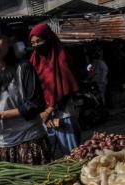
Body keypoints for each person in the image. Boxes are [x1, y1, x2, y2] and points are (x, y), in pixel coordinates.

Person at [0, 20, 50, 165]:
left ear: (9, 40)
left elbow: (36, 105)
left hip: (30, 142)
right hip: (1, 145)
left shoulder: (24, 68)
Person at [29, 23, 81, 156]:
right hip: (43, 116)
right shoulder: (34, 60)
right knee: (50, 155)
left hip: (63, 113)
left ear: (48, 39)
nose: (35, 45)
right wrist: (43, 111)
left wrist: (50, 109)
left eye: (38, 41)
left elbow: (66, 87)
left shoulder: (62, 58)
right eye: (33, 42)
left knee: (72, 154)